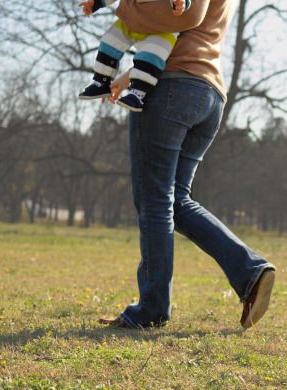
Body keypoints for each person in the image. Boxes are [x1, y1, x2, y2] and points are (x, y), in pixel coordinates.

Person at [98, 0, 276, 330]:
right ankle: (251, 272)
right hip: (208, 94)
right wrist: (127, 77)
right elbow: (188, 31)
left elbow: (185, 14)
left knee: (154, 201)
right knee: (175, 201)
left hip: (172, 88)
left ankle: (151, 310)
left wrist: (124, 8)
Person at [78, 0, 190, 112]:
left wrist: (182, 3)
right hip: (132, 18)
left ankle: (137, 93)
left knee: (151, 56)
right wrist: (96, 3)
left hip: (163, 27)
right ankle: (100, 81)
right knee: (109, 41)